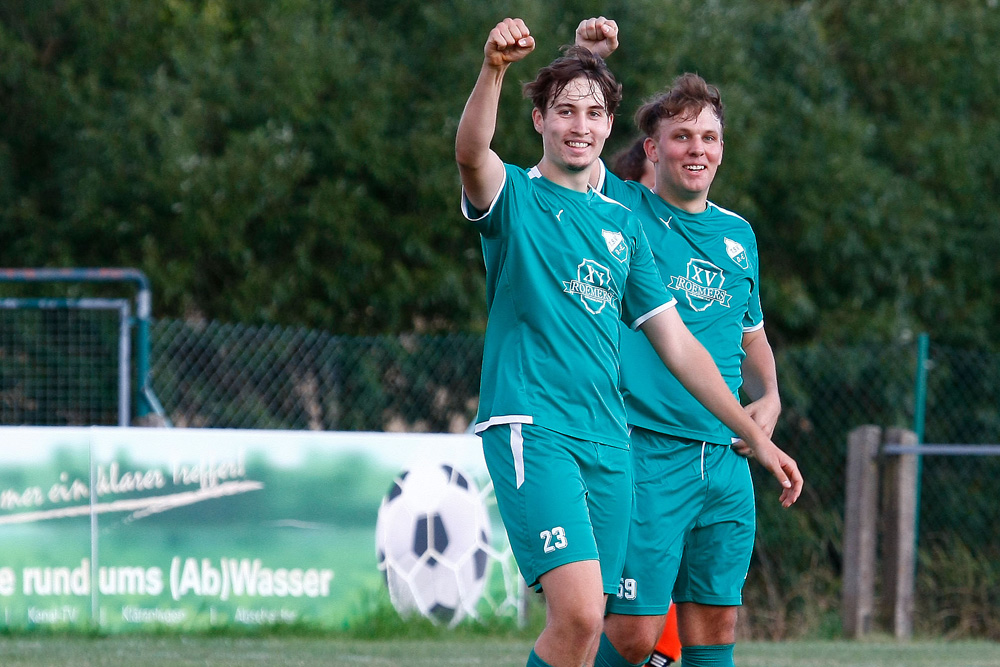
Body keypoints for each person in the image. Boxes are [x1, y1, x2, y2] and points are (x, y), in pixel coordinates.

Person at [455, 18, 802, 667]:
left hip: (609, 441)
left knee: (593, 637)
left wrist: (757, 436)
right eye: (563, 112)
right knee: (582, 612)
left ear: (610, 126)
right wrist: (493, 70)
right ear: (538, 120)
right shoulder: (516, 198)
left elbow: (679, 346)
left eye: (592, 114)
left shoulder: (623, 225)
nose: (578, 125)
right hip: (535, 424)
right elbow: (472, 153)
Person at [575, 17, 791, 667]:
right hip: (649, 454)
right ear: (652, 147)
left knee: (716, 622)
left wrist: (771, 397)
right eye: (681, 136)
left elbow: (752, 340)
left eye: (708, 136)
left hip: (726, 461)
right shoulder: (622, 210)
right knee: (638, 634)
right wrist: (587, 59)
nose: (697, 148)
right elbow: (576, 146)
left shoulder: (738, 235)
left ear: (722, 146)